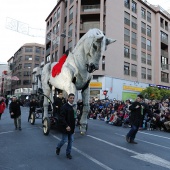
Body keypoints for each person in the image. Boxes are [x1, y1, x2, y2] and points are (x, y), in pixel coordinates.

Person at [56, 93, 76, 159]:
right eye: (71, 98)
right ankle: (58, 147)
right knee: (64, 140)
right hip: (65, 127)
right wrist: (66, 126)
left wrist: (74, 127)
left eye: (73, 98)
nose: (72, 99)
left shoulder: (74, 107)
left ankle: (68, 153)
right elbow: (61, 118)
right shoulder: (64, 107)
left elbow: (74, 118)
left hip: (72, 127)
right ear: (68, 98)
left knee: (71, 140)